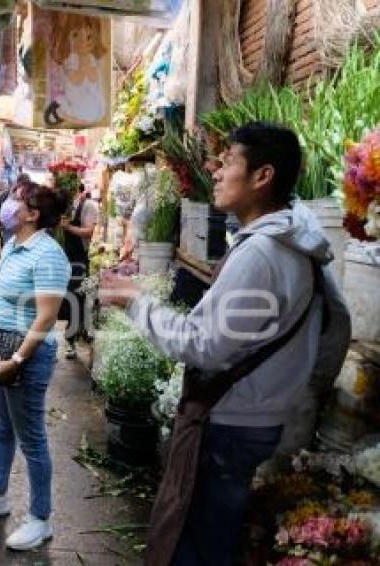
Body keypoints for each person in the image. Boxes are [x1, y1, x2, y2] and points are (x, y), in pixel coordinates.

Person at [100, 122, 350, 566]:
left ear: (263, 175)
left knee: (195, 543)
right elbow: (337, 328)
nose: (215, 171)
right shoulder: (298, 244)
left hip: (229, 425)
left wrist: (138, 302)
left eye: (229, 160)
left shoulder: (262, 254)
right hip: (258, 417)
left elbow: (205, 347)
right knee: (215, 533)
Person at [0, 182, 71, 551]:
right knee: (2, 429)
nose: (7, 204)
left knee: (33, 438)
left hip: (26, 355)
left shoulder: (48, 255)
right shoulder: (12, 244)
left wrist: (17, 360)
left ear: (33, 214)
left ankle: (41, 518)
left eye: (16, 200)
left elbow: (46, 317)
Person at [58, 183, 100, 358]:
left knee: (76, 300)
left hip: (81, 261)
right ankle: (69, 339)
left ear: (79, 191)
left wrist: (68, 227)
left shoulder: (88, 205)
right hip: (65, 260)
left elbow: (90, 231)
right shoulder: (66, 208)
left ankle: (72, 340)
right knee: (66, 301)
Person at [0, 173, 31, 246]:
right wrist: (0, 220)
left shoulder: (30, 195)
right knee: (10, 247)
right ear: (18, 184)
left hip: (24, 230)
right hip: (8, 230)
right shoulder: (3, 195)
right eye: (22, 185)